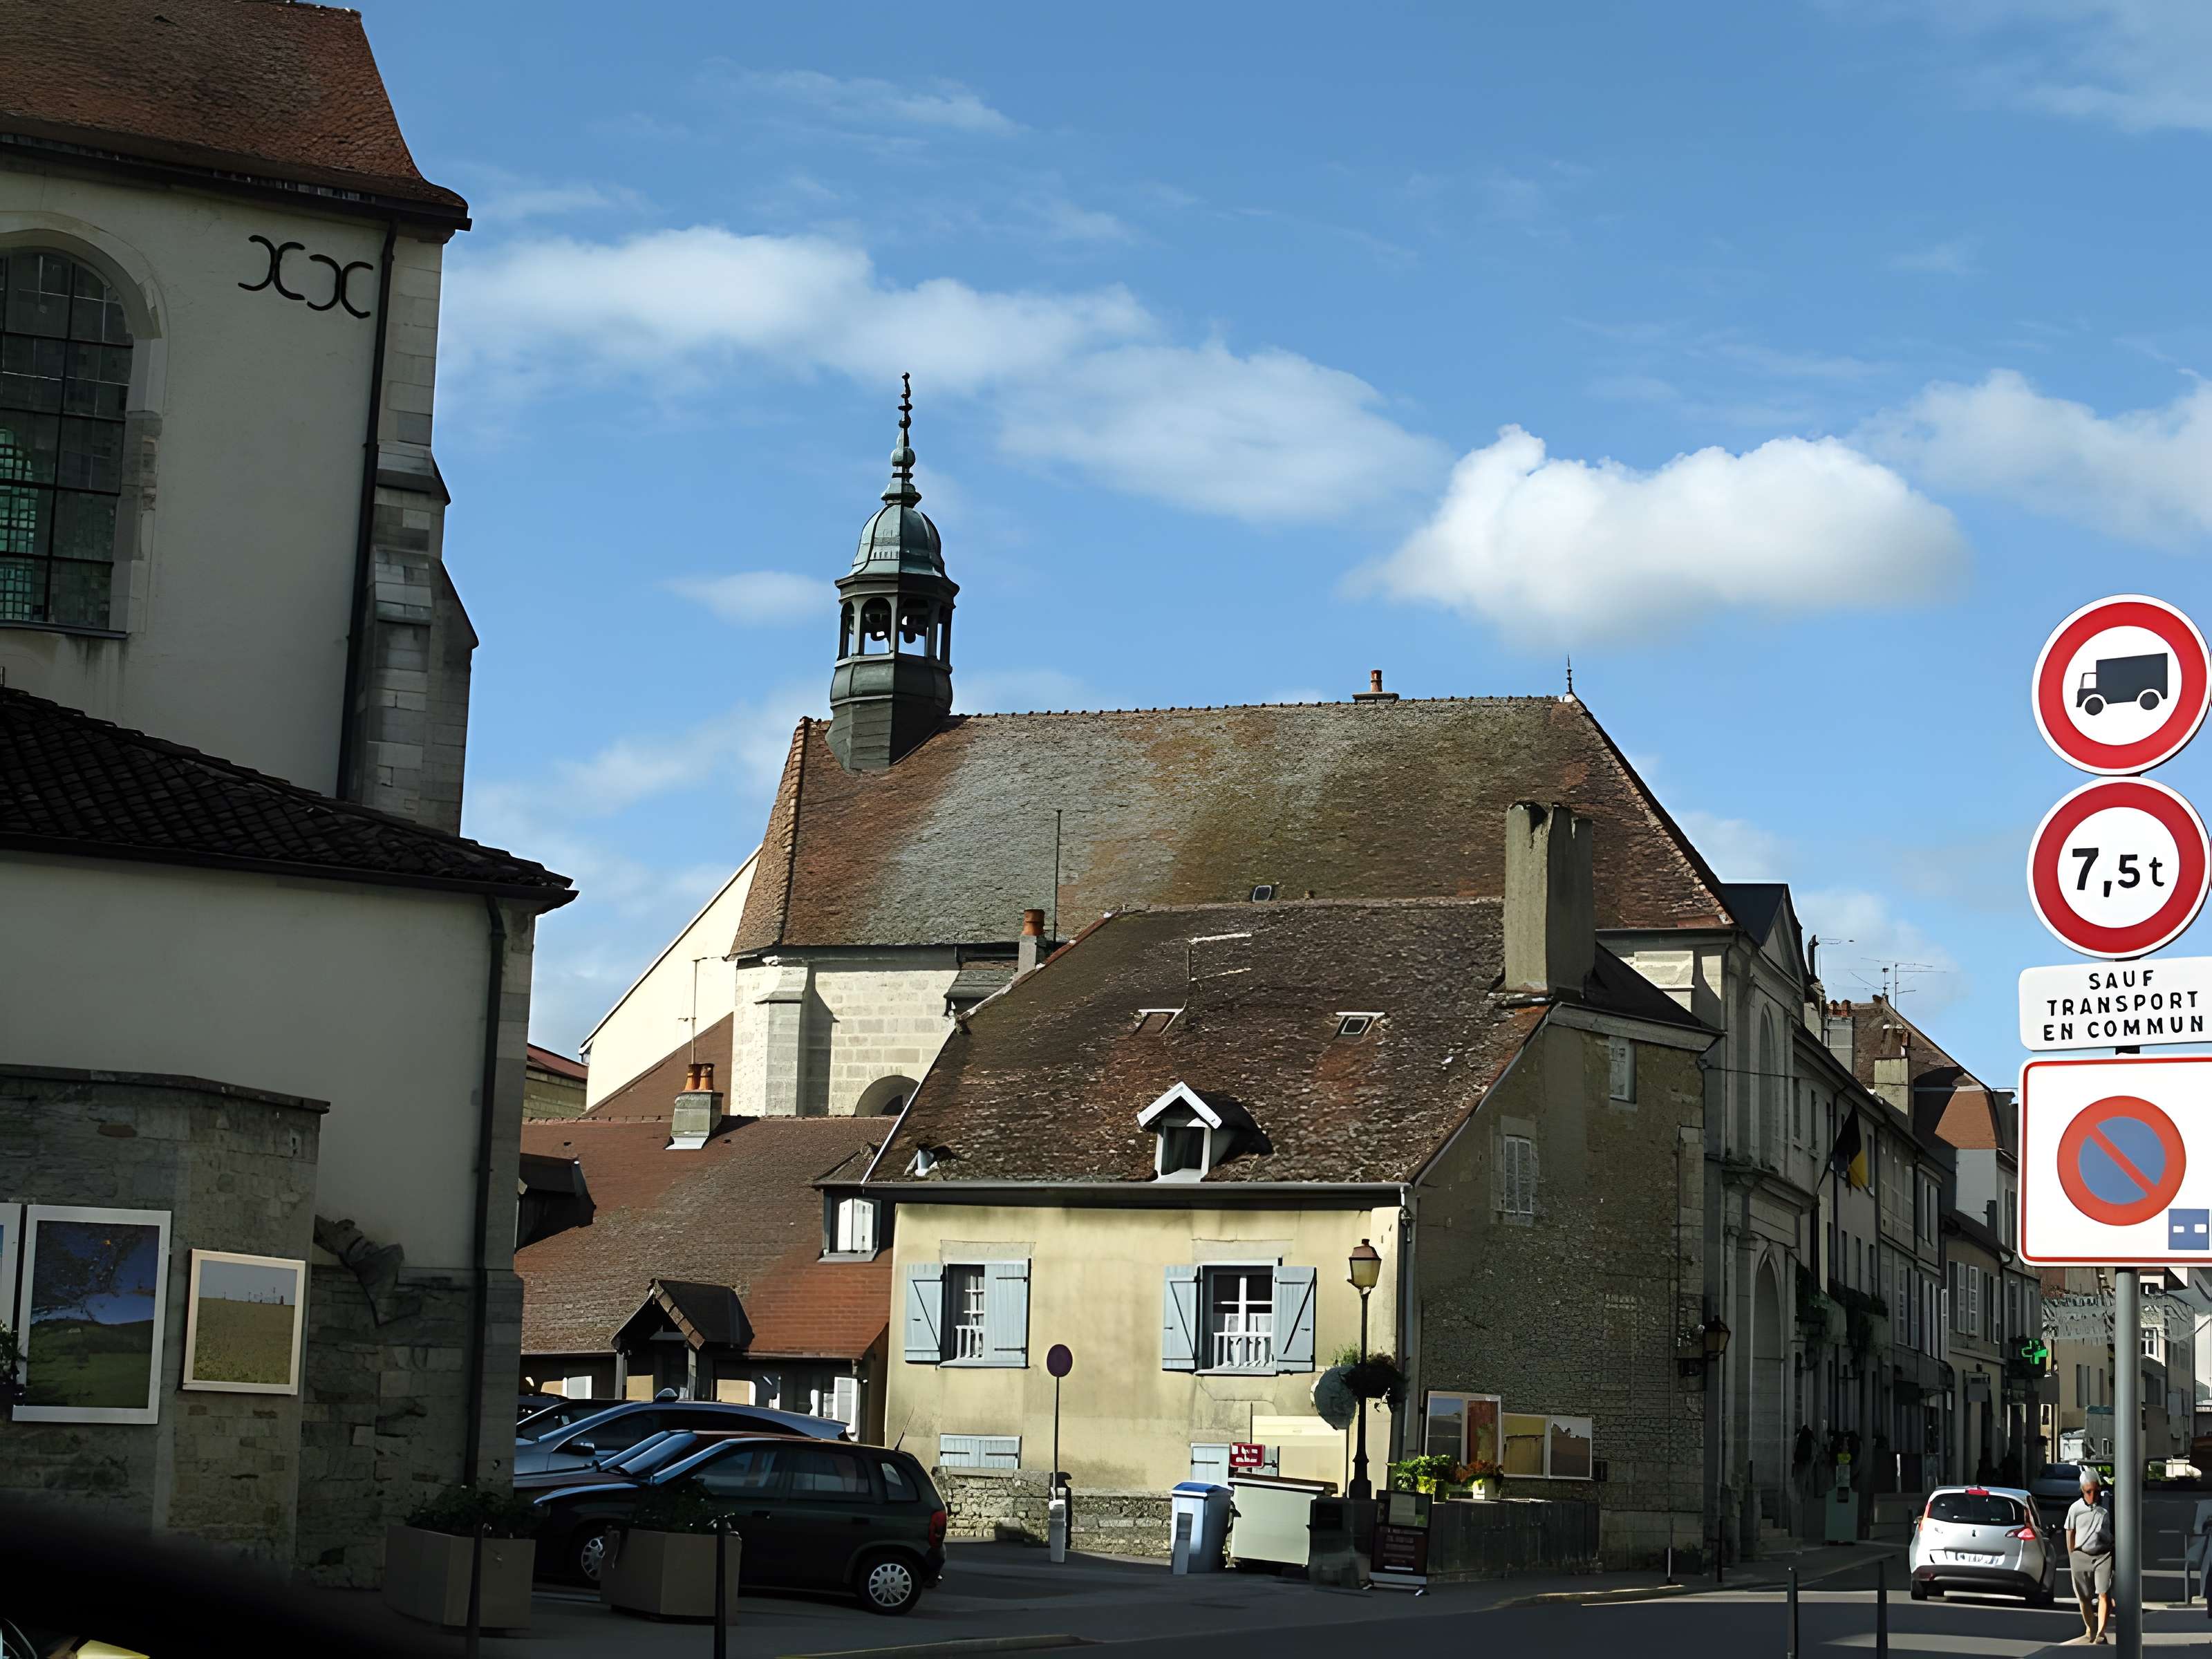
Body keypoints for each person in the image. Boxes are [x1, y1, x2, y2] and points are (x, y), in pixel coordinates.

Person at [2066, 1467, 2115, 1644]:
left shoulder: (2106, 1508)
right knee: (2084, 1597)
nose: (2092, 1496)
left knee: (2103, 1594)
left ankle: (2101, 1633)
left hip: (2103, 1554)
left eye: (2096, 1492)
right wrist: (2072, 1555)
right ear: (2082, 1491)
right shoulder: (2075, 1509)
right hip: (2081, 1555)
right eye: (2088, 1492)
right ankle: (2090, 1628)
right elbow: (2070, 1533)